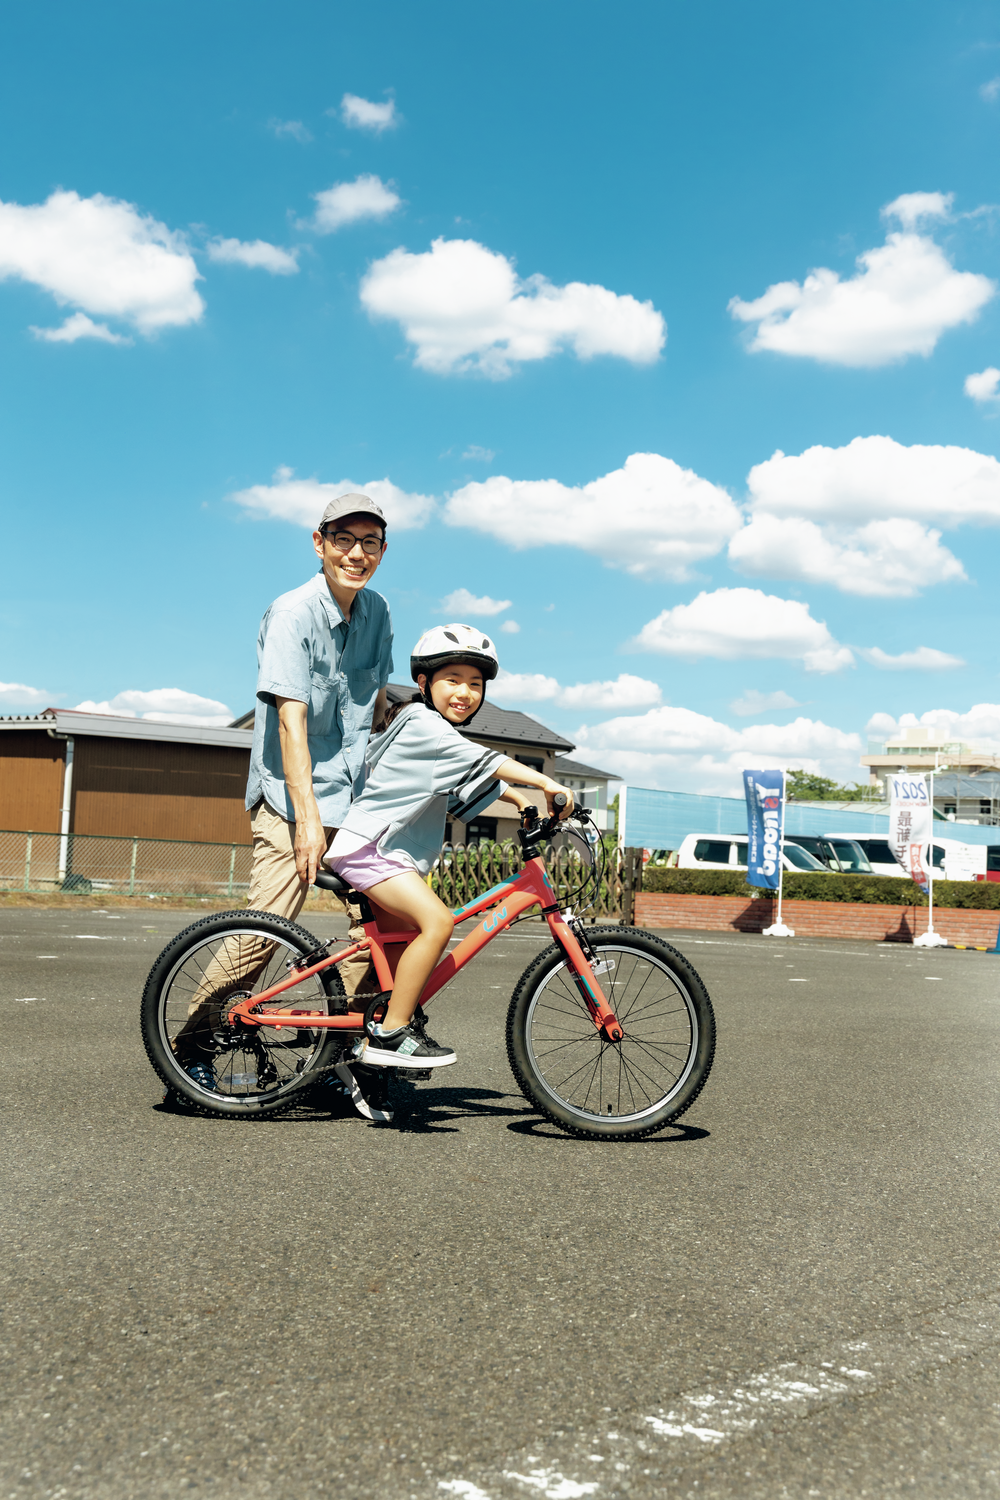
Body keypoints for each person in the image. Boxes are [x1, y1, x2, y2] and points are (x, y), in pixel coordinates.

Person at [172, 493, 392, 1085]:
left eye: (369, 542)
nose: (356, 553)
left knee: (379, 927)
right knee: (264, 928)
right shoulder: (291, 614)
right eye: (344, 539)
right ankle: (191, 1047)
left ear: (383, 551)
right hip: (288, 797)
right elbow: (291, 722)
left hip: (355, 795)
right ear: (319, 543)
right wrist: (308, 818)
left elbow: (375, 709)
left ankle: (333, 1048)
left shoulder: (380, 613)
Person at [325, 623, 574, 1069]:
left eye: (475, 684)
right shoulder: (426, 726)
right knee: (438, 922)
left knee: (399, 956)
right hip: (372, 850)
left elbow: (469, 784)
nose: (465, 692)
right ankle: (391, 1033)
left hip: (382, 852)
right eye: (453, 680)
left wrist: (522, 802)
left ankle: (363, 1054)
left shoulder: (429, 732)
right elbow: (487, 761)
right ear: (424, 682)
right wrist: (545, 782)